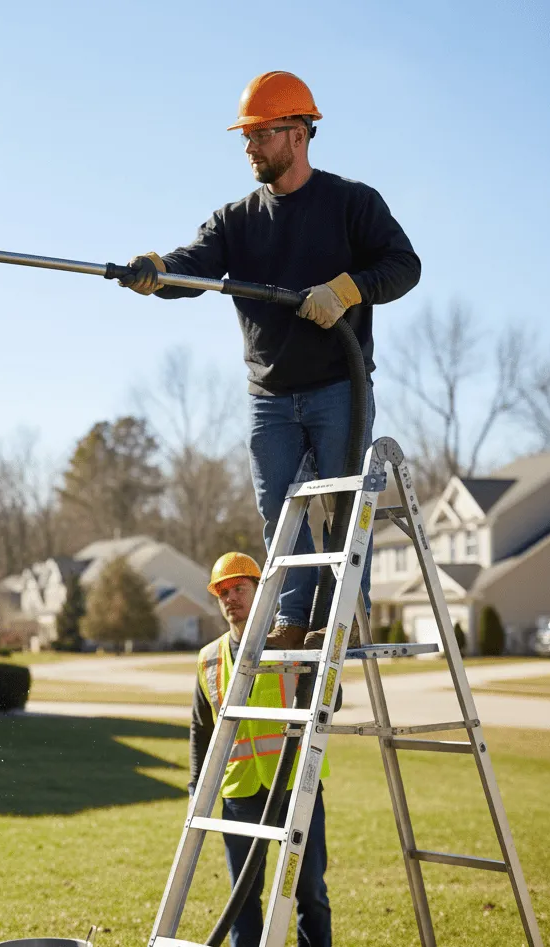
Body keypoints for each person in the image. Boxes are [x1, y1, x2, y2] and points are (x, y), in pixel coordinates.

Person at [123, 71, 421, 647]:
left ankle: (341, 622)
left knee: (340, 507)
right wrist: (155, 273)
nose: (249, 146)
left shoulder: (351, 203)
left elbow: (403, 265)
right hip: (270, 396)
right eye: (247, 136)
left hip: (340, 385)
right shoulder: (237, 219)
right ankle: (291, 621)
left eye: (261, 134)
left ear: (298, 134)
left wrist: (348, 290)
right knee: (279, 512)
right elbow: (195, 266)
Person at [193, 551, 331, 946]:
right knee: (242, 901)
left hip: (294, 788)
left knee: (310, 895)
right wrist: (194, 786)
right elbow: (201, 730)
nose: (230, 599)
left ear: (263, 592)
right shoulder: (208, 659)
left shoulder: (292, 644)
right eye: (223, 593)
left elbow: (332, 703)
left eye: (239, 588)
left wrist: (316, 670)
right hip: (240, 794)